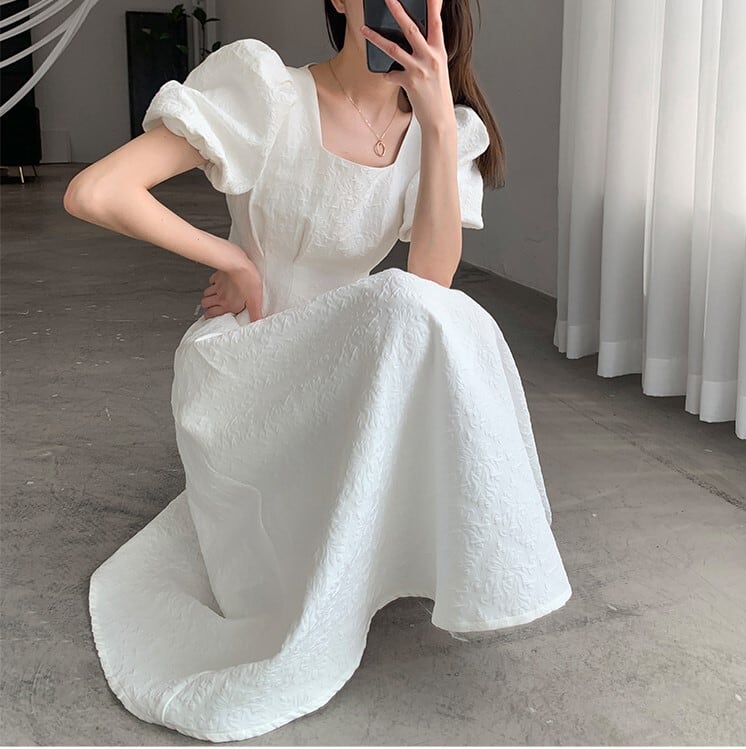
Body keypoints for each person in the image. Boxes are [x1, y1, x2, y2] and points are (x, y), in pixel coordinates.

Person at [65, 0, 572, 742]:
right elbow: (94, 191)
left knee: (432, 311)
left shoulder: (443, 133)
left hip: (350, 370)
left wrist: (435, 123)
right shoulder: (266, 91)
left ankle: (486, 560)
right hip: (246, 364)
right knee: (407, 306)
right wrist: (233, 257)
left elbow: (432, 285)